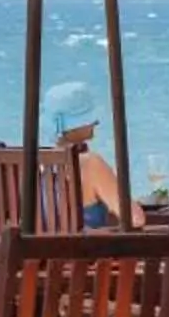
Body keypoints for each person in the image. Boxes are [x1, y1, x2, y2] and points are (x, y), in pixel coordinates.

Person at [43, 82, 130, 227]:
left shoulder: (33, 165)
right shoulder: (89, 163)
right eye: (90, 118)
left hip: (38, 249)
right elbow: (134, 218)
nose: (95, 123)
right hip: (86, 248)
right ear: (76, 124)